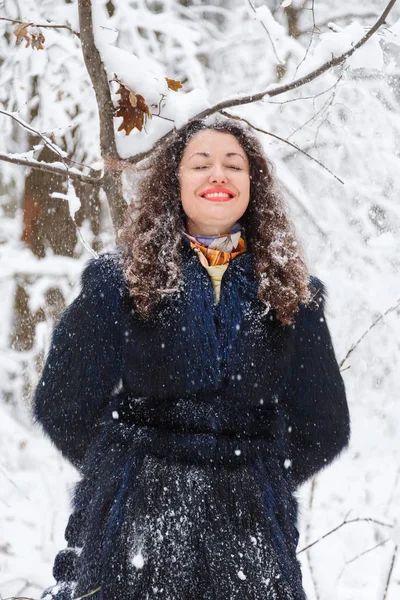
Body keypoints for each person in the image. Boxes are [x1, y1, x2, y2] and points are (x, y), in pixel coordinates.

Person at [34, 117, 350, 600]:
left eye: (234, 165)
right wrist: (128, 475)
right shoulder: (118, 281)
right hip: (130, 542)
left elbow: (324, 425)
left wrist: (255, 481)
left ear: (253, 183)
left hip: (250, 549)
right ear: (174, 181)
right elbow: (62, 402)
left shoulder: (293, 294)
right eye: (200, 164)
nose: (218, 175)